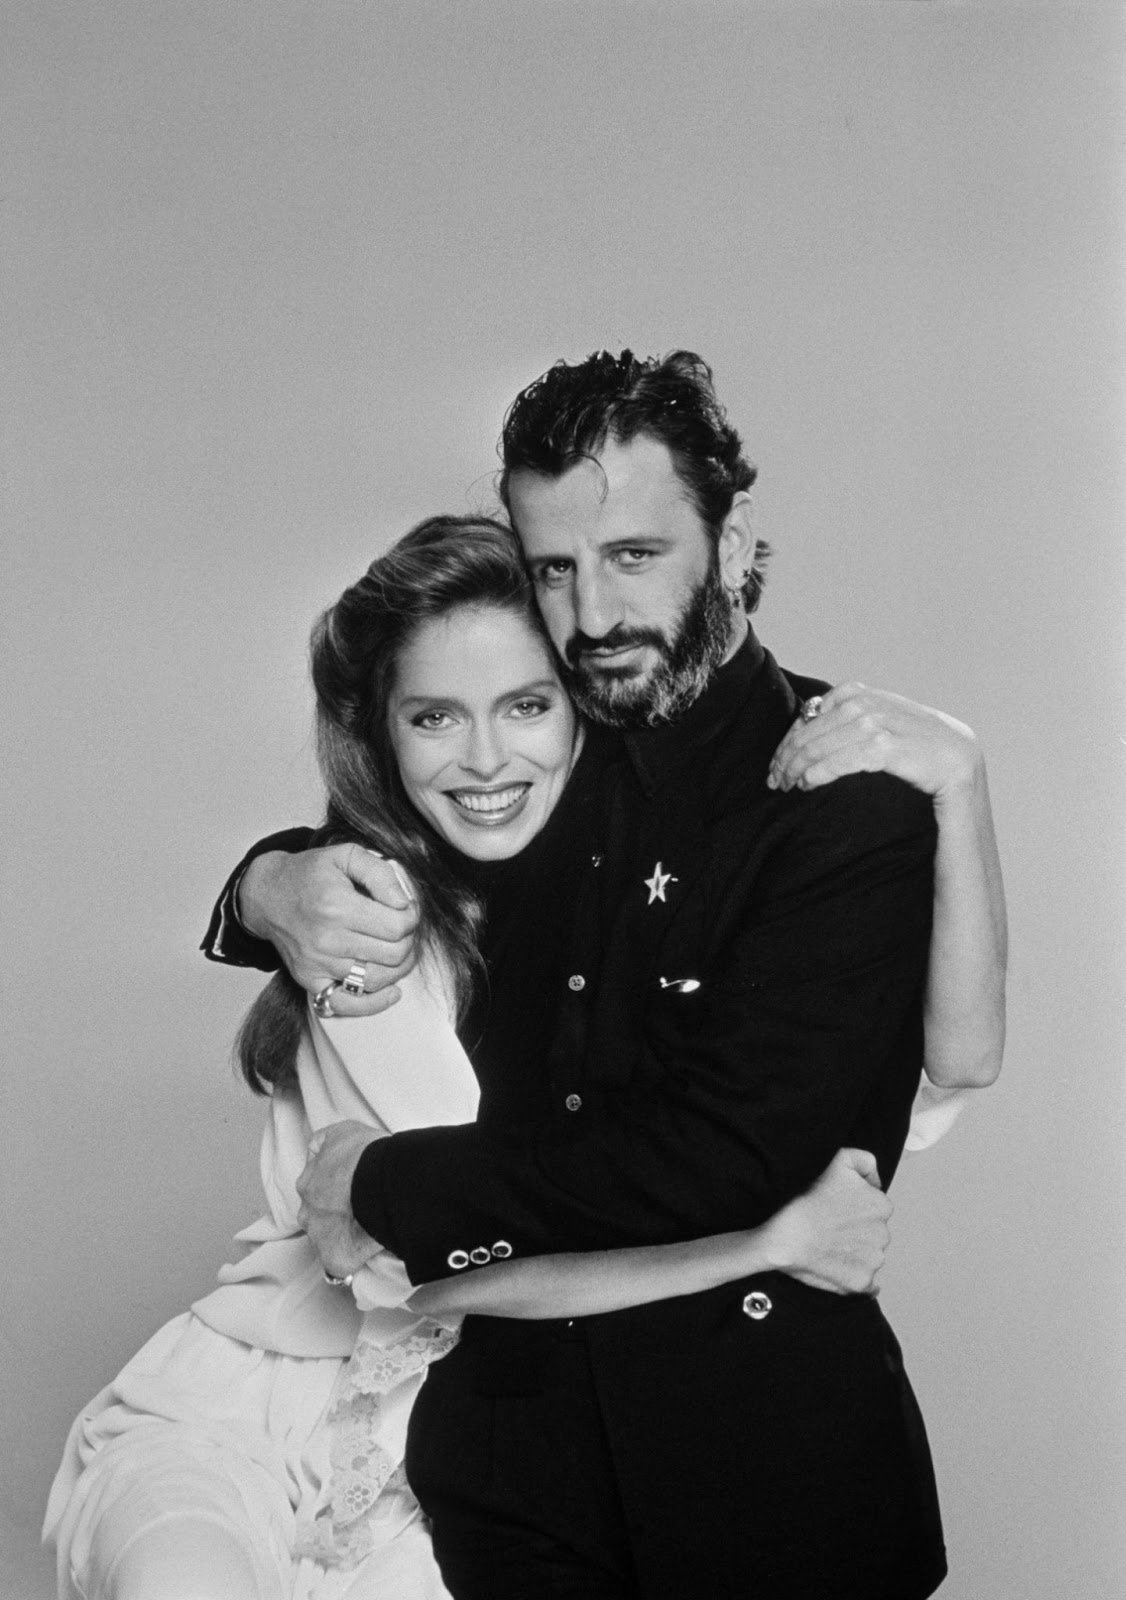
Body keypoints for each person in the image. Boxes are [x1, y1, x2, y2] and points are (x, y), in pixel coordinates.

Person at [219, 352, 1007, 1599]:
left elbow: (727, 1156)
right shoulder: (538, 746)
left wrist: (385, 1181)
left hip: (770, 1482)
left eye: (633, 555)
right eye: (554, 569)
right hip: (506, 1477)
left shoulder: (844, 800)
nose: (592, 617)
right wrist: (260, 891)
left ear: (731, 540)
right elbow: (385, 813)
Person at [44, 517, 906, 1600]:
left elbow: (799, 1111)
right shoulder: (357, 918)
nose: (486, 759)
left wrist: (954, 777)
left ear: (587, 713)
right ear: (385, 735)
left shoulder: (661, 925)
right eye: (435, 716)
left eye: (528, 706)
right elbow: (441, 1263)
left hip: (491, 1452)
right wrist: (765, 1243)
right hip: (258, 1404)